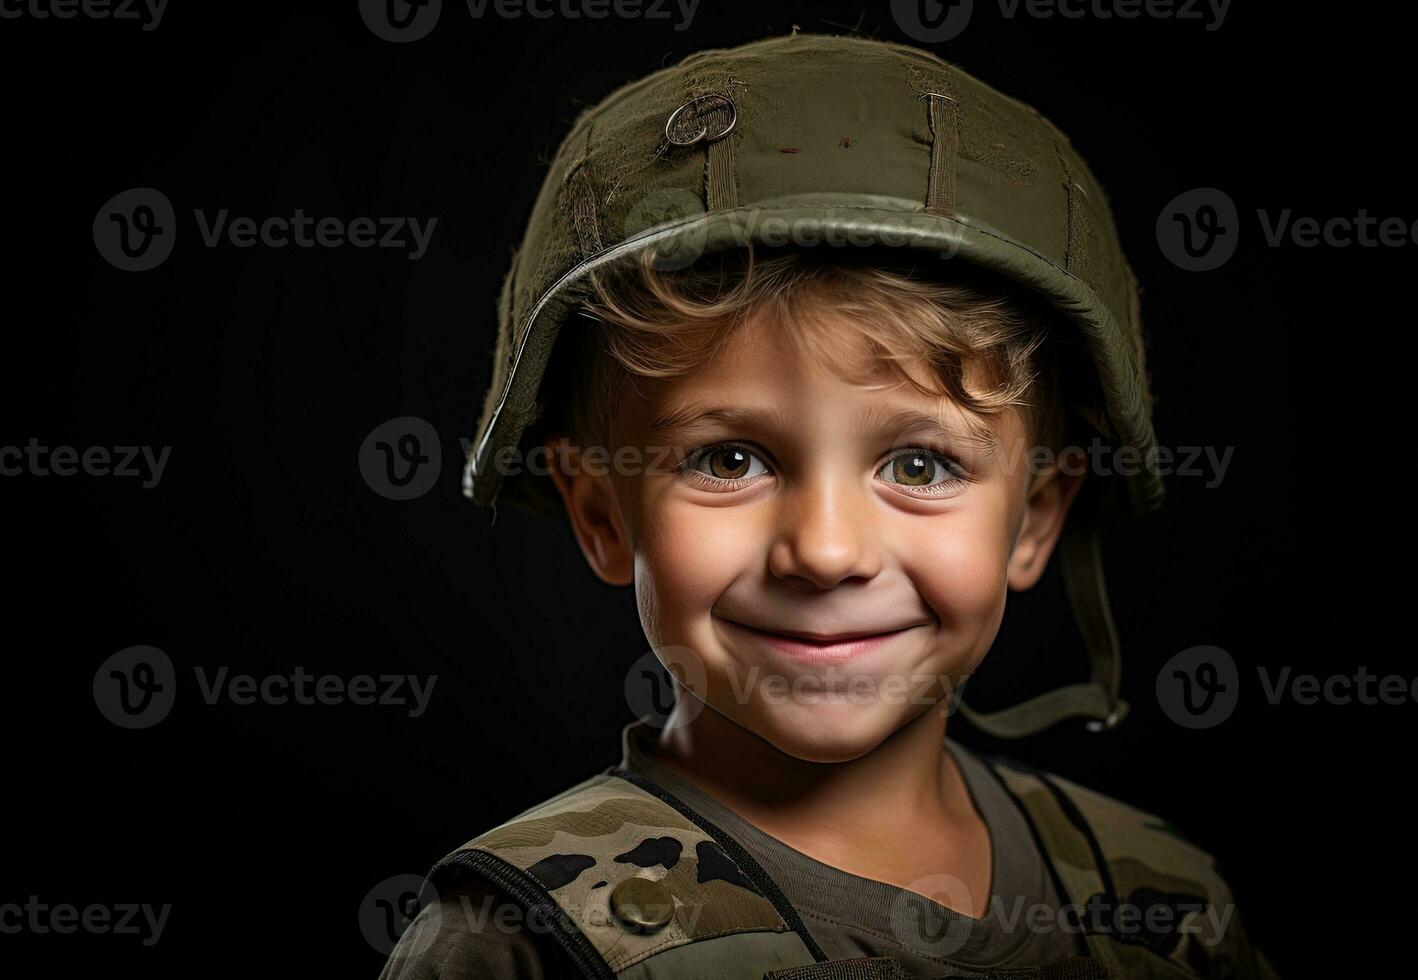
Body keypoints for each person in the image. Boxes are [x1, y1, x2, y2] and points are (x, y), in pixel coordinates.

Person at [380, 31, 1279, 980]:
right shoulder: (519, 943)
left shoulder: (1164, 904)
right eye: (729, 459)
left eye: (922, 467)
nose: (825, 550)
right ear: (603, 512)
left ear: (1039, 517)